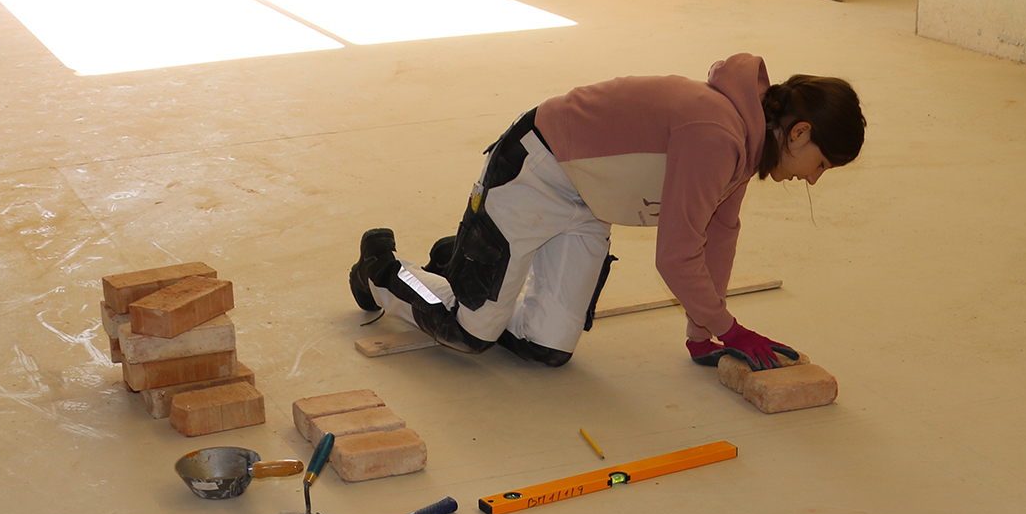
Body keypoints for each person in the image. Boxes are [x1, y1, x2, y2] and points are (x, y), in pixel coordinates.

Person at [347, 56, 863, 370]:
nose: (814, 178)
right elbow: (677, 256)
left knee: (547, 348)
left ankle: (463, 263)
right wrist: (731, 329)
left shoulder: (746, 145)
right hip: (533, 172)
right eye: (823, 164)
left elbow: (719, 234)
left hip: (587, 203)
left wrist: (702, 334)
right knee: (470, 333)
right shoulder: (718, 136)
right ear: (800, 133)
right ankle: (381, 270)